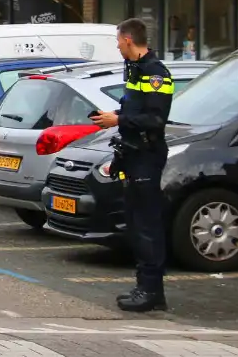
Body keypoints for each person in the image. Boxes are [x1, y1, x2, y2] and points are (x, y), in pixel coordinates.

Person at [91, 18, 174, 312]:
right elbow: (135, 109)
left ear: (128, 39)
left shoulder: (155, 73)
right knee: (136, 224)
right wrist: (114, 115)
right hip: (133, 154)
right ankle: (145, 286)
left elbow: (156, 119)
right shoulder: (135, 69)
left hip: (147, 156)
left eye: (117, 40)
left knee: (147, 225)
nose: (116, 45)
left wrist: (120, 120)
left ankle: (152, 291)